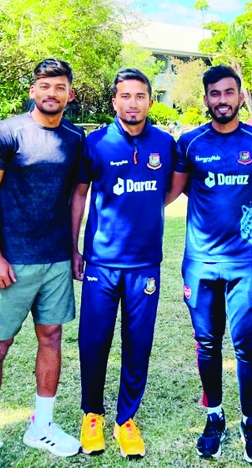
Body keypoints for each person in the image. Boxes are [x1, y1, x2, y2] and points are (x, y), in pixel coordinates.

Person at [0, 59, 83, 467]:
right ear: (33, 90)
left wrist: (73, 249)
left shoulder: (75, 140)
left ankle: (43, 427)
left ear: (70, 94)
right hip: (13, 261)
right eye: (44, 85)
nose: (51, 93)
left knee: (51, 339)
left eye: (60, 87)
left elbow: (75, 197)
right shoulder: (8, 132)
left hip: (55, 260)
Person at [166, 65, 252, 464]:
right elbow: (169, 193)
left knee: (247, 346)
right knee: (207, 344)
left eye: (229, 92)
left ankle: (251, 421)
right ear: (206, 98)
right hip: (199, 261)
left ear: (241, 96)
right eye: (215, 94)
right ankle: (214, 417)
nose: (222, 100)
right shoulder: (190, 142)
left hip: (245, 261)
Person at [71, 68, 175, 459]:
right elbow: (79, 196)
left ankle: (126, 419)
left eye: (140, 96)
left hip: (145, 264)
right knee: (94, 341)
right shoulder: (95, 143)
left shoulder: (165, 144)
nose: (133, 103)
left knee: (138, 343)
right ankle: (92, 415)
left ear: (150, 100)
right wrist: (74, 248)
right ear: (115, 101)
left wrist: (146, 209)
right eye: (125, 96)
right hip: (101, 263)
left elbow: (171, 188)